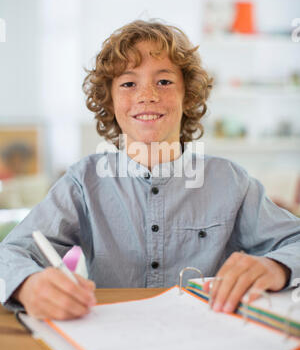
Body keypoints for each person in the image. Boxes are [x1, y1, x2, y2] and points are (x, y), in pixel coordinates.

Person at [0, 19, 299, 321]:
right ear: (111, 100)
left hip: (207, 338)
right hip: (112, 338)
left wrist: (277, 267)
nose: (147, 95)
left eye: (164, 81)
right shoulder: (83, 181)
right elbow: (10, 253)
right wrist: (27, 284)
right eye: (128, 83)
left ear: (189, 95)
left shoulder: (231, 182)